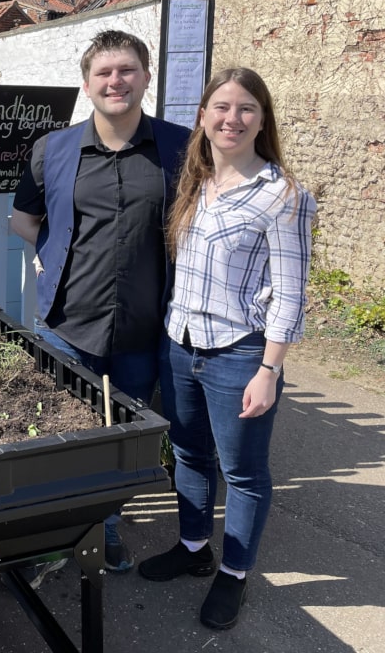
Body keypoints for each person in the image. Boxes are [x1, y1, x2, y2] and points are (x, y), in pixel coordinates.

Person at [137, 67, 315, 630]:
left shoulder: (283, 196)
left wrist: (269, 369)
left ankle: (233, 575)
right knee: (189, 454)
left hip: (239, 353)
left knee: (243, 473)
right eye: (221, 107)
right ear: (203, 117)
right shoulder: (194, 183)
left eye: (245, 109)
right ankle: (193, 548)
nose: (230, 119)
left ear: (262, 121)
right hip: (180, 344)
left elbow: (291, 293)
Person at [10, 30, 190, 576]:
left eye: (127, 70)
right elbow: (23, 218)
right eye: (105, 73)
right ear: (87, 84)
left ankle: (105, 528)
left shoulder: (180, 148)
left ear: (146, 77)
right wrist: (50, 259)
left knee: (119, 441)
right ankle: (54, 534)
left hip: (145, 326)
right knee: (64, 435)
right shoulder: (53, 149)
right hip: (68, 323)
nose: (117, 81)